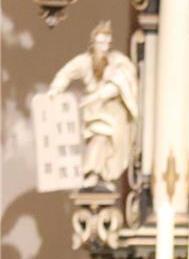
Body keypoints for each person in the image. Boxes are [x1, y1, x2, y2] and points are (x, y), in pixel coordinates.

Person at [48, 20, 138, 190]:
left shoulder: (116, 61)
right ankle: (91, 173)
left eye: (107, 43)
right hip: (94, 111)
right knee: (99, 137)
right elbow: (65, 74)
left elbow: (124, 80)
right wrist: (55, 90)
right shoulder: (84, 61)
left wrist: (110, 89)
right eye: (100, 42)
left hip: (113, 112)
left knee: (108, 142)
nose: (104, 47)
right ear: (93, 43)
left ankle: (101, 175)